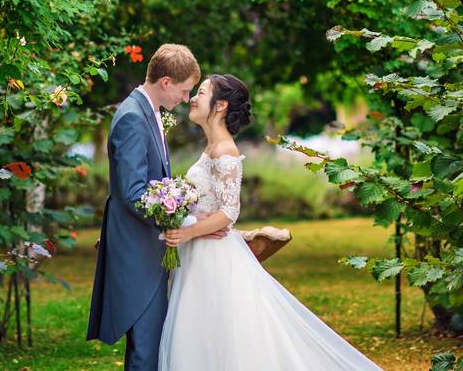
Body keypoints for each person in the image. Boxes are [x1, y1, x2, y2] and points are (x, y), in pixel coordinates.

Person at [158, 74, 384, 370]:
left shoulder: (224, 149)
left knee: (218, 332)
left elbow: (228, 212)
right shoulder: (211, 147)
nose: (194, 99)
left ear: (221, 105)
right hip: (201, 254)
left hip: (213, 257)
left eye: (201, 92)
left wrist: (188, 233)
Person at [87, 43, 219, 371]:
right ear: (165, 83)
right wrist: (182, 218)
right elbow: (133, 191)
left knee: (150, 343)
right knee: (146, 348)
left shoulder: (148, 111)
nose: (186, 99)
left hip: (145, 247)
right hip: (136, 250)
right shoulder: (133, 118)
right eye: (185, 90)